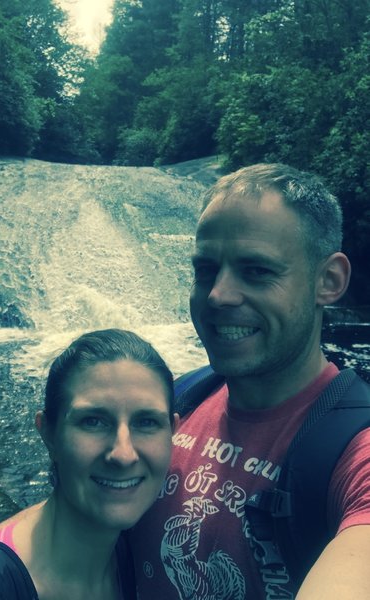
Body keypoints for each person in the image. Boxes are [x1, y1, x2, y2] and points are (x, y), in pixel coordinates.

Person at [129, 163, 370, 599]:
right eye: (205, 270)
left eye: (256, 271)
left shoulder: (357, 451)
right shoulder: (172, 404)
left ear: (328, 281)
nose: (219, 295)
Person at [0, 328, 177, 600]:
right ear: (49, 434)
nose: (123, 454)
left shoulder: (142, 551)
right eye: (93, 421)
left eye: (146, 422)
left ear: (173, 432)